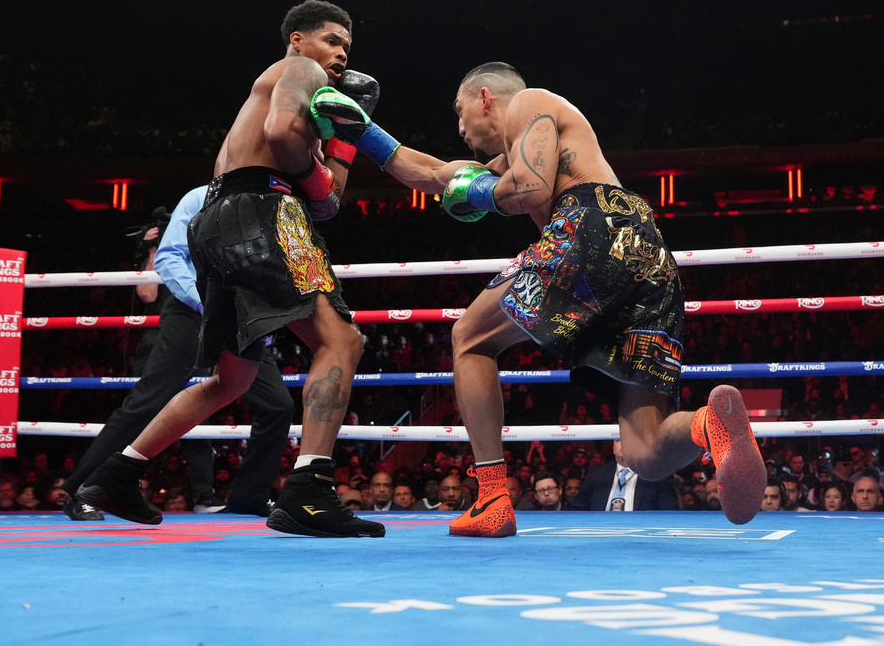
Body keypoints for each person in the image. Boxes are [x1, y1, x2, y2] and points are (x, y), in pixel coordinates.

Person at [318, 61, 765, 536]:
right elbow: (432, 173)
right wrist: (361, 131)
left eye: (460, 111)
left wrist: (481, 192)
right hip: (649, 254)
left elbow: (530, 189)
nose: (460, 127)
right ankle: (709, 425)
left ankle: (492, 498)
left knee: (469, 338)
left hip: (592, 224)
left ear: (485, 96)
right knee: (645, 451)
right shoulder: (516, 151)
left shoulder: (531, 103)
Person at [75, 0, 384, 538]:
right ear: (298, 40)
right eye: (331, 40)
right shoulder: (299, 71)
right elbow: (286, 137)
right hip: (266, 211)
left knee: (231, 378)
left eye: (347, 47)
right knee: (344, 342)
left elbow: (328, 199)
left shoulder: (298, 92)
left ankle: (117, 473)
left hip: (220, 220)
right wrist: (318, 167)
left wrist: (341, 143)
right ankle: (309, 492)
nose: (339, 54)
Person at [61, 184, 295, 521]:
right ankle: (79, 490)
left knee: (277, 403)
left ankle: (250, 496)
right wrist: (207, 305)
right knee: (148, 401)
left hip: (243, 316)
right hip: (193, 311)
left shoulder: (276, 203)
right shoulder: (202, 197)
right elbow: (170, 257)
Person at [571, 439, 679, 511]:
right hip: (602, 529)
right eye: (618, 439)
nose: (624, 443)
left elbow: (669, 512)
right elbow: (578, 508)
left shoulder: (657, 474)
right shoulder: (597, 473)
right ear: (613, 448)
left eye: (628, 438)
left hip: (639, 532)